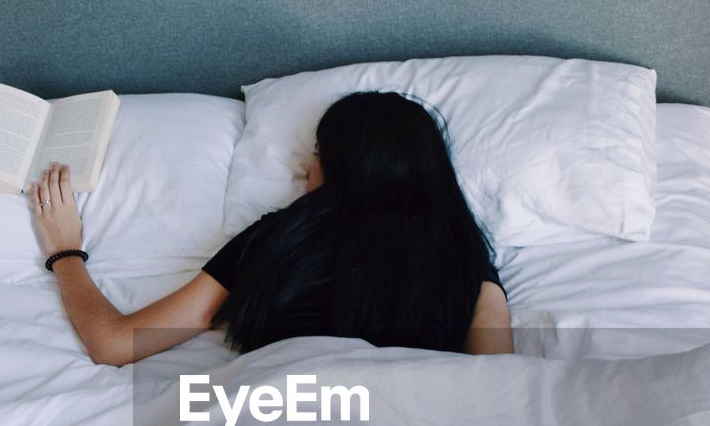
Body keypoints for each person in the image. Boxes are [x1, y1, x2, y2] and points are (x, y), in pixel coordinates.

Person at [30, 90, 514, 366]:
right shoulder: (462, 256)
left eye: (320, 154)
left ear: (350, 166)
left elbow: (116, 343)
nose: (306, 169)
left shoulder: (284, 236)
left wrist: (65, 253)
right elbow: (499, 393)